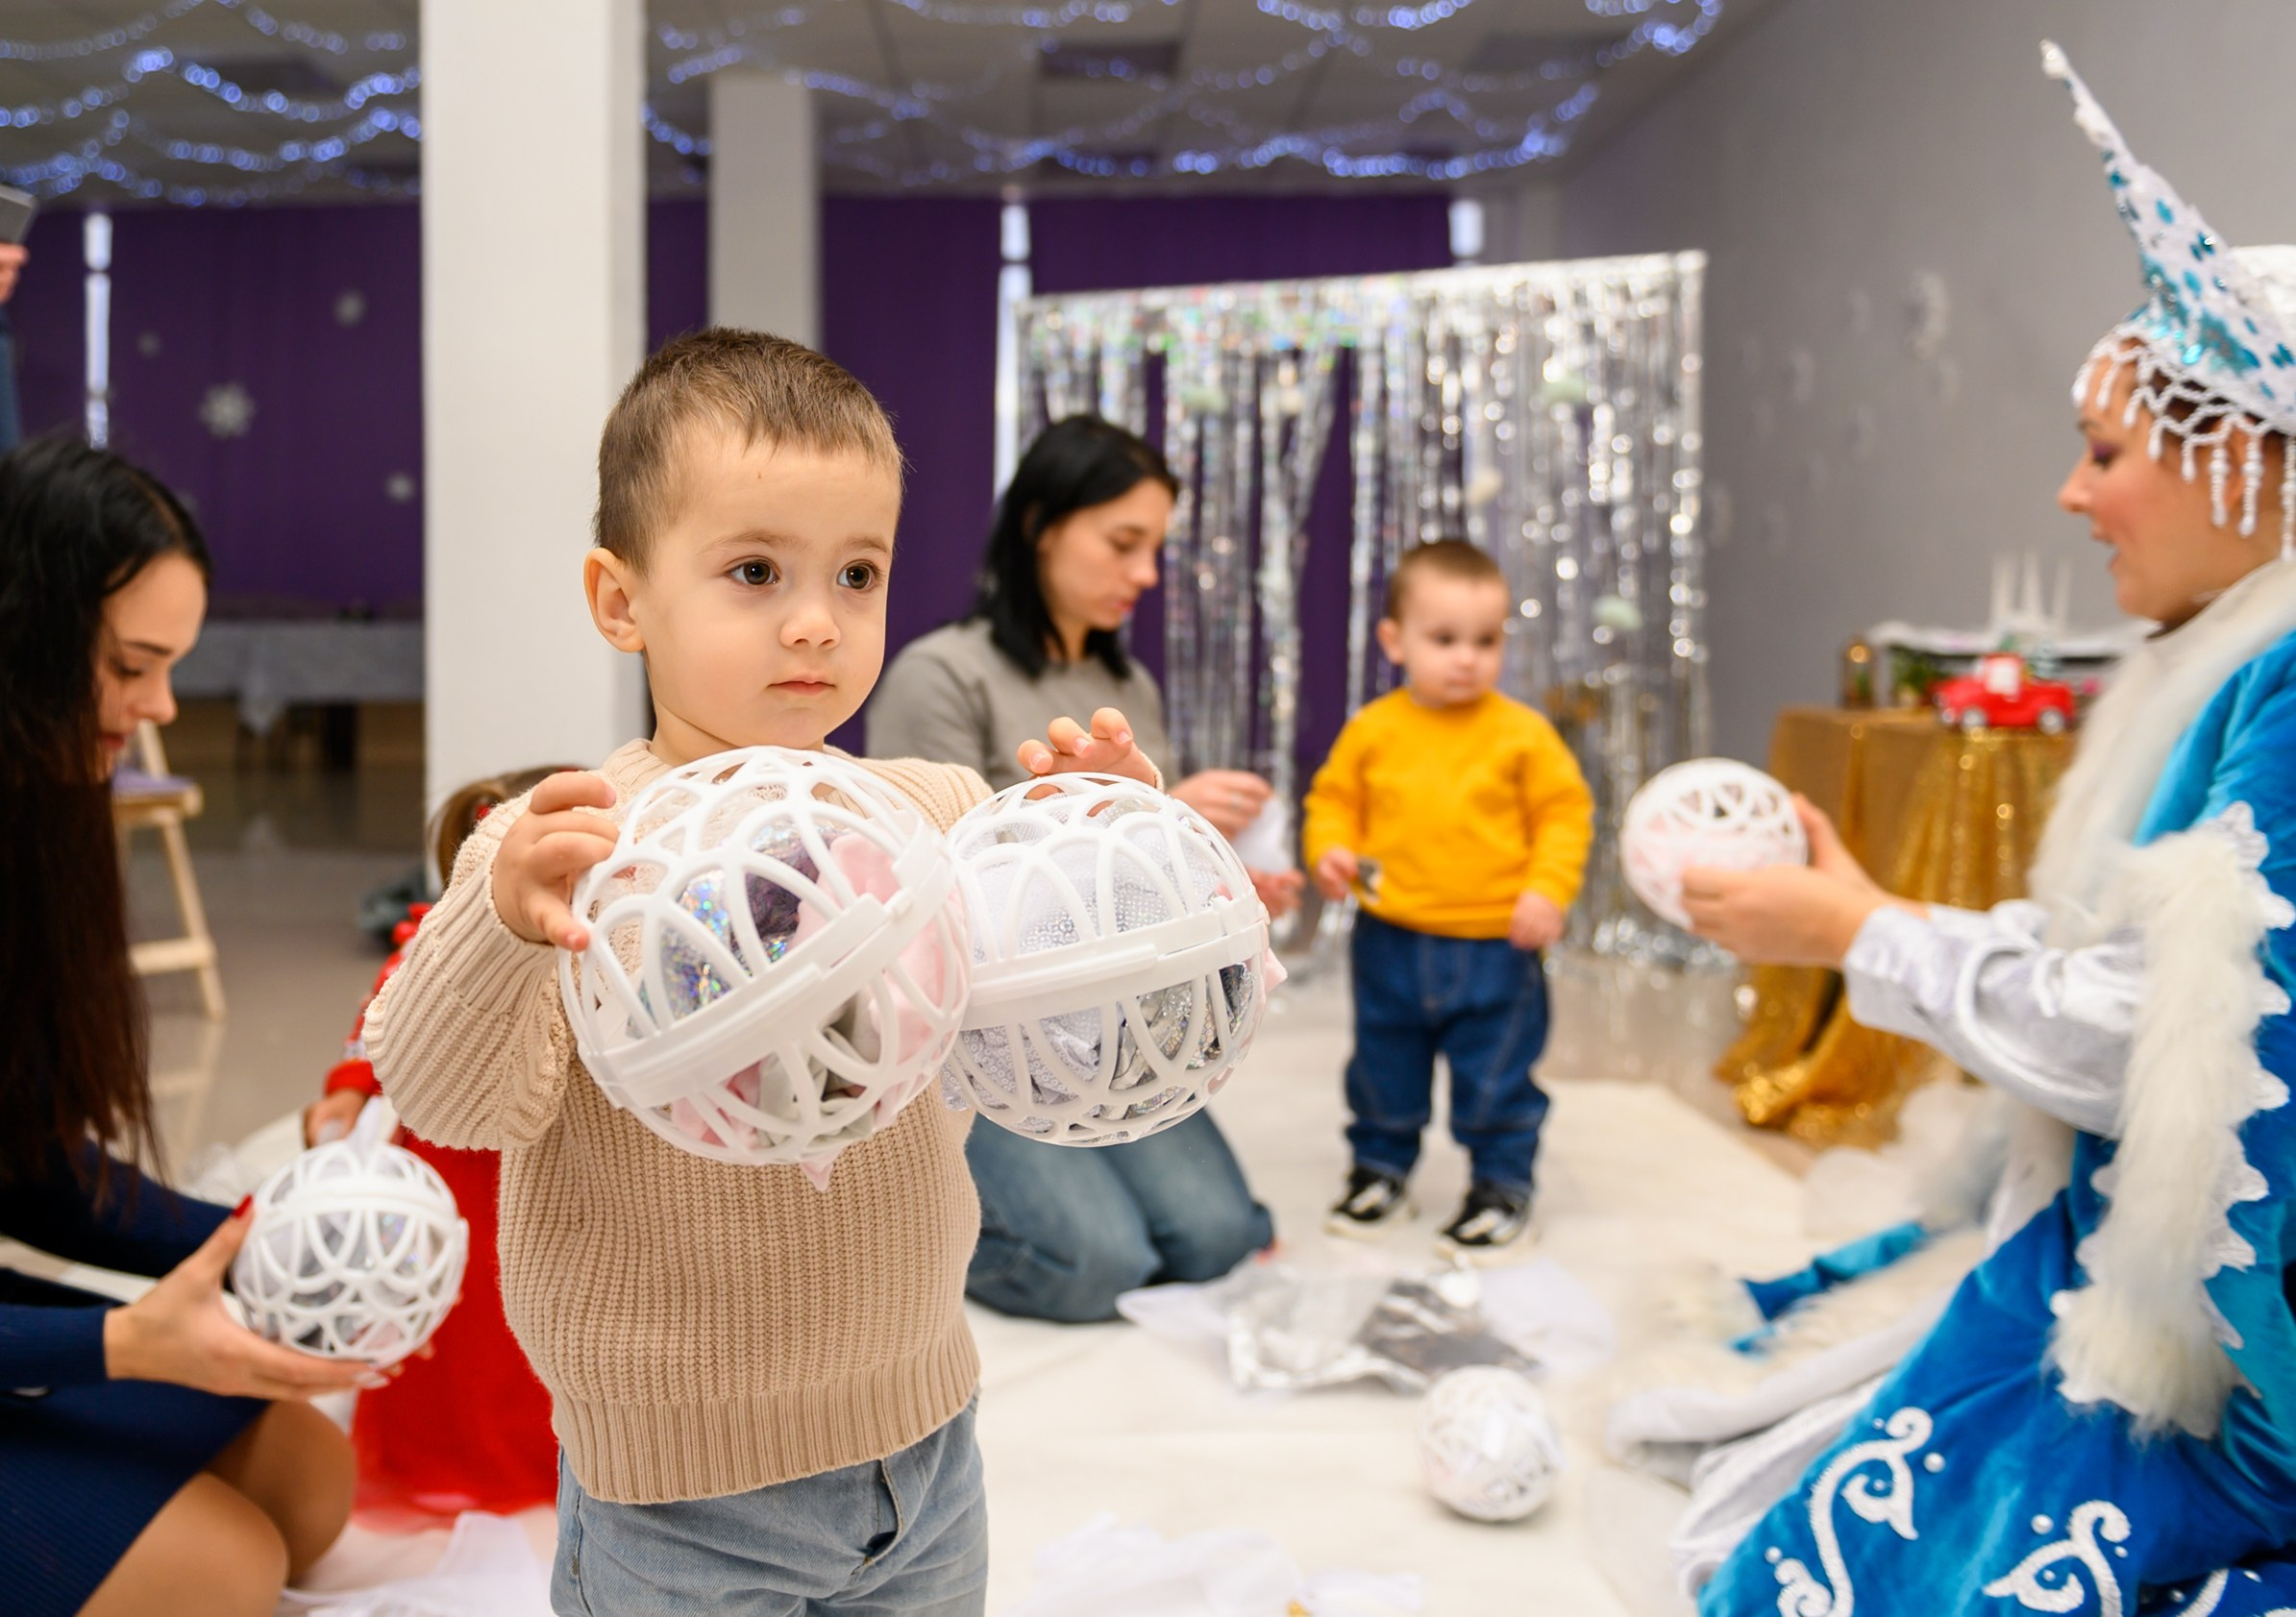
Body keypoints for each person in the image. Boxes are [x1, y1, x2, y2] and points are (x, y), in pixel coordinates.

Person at [363, 331, 1158, 1615]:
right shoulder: (571, 847)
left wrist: (1109, 844)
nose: (816, 620)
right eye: (753, 571)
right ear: (621, 601)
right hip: (678, 1503)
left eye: (858, 572)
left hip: (926, 1444)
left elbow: (1063, 1037)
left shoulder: (937, 806)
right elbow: (447, 1102)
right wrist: (500, 923)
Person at [1676, 47, 2296, 1614]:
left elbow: (2164, 1043)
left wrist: (1857, 935)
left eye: (2104, 451)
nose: (2070, 495)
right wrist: (1868, 924)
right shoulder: (2219, 664)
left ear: (2241, 460)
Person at [0, 435, 358, 1617]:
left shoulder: (36, 826)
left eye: (171, 670)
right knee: (228, 1568)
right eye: (130, 667)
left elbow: (33, 1172)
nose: (158, 709)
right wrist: (120, 1346)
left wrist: (267, 1245)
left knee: (308, 1488)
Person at [869, 415, 1284, 1323]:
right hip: (992, 1037)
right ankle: (921, 1228)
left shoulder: (1126, 687)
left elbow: (1147, 889)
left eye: (1154, 549)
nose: (1146, 573)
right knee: (1093, 1265)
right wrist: (1130, 811)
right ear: (1041, 526)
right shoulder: (941, 675)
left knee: (1218, 1236)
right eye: (1123, 543)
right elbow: (924, 898)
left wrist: (1220, 886)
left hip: (1115, 1022)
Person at [1302, 539, 1593, 1257]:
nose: (1466, 658)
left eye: (1485, 640)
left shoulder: (1521, 734)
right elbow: (1333, 801)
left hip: (1496, 943)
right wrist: (1329, 849)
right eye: (1444, 639)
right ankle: (1379, 1169)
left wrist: (1547, 889)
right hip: (1390, 935)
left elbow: (1564, 815)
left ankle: (1500, 1184)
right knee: (1382, 1067)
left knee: (1495, 1075)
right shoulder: (1374, 729)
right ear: (1393, 640)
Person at [302, 767, 571, 1521]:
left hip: (554, 1161)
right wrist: (348, 1091)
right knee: (473, 1326)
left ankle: (557, 1454)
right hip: (458, 1174)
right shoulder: (435, 947)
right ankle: (459, 1455)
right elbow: (377, 1025)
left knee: (553, 1305)